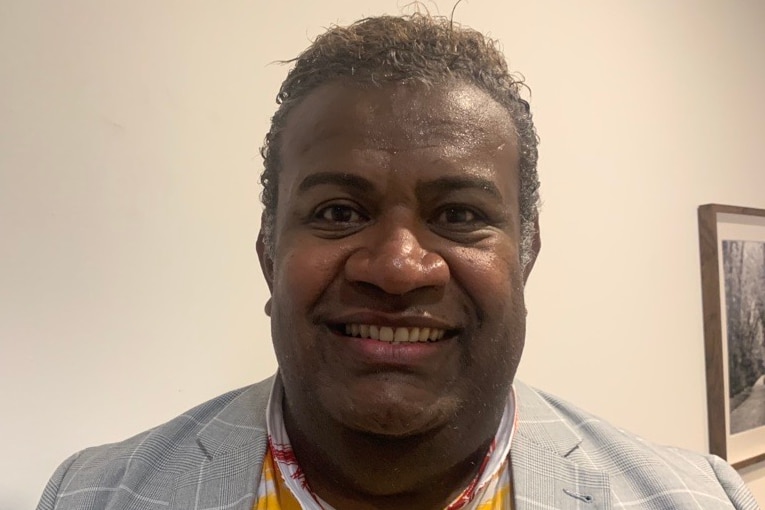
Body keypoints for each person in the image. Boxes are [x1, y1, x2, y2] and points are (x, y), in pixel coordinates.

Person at [37, 14, 757, 510]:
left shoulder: (694, 497)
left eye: (459, 216)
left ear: (526, 255)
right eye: (338, 213)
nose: (397, 266)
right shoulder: (89, 494)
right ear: (267, 258)